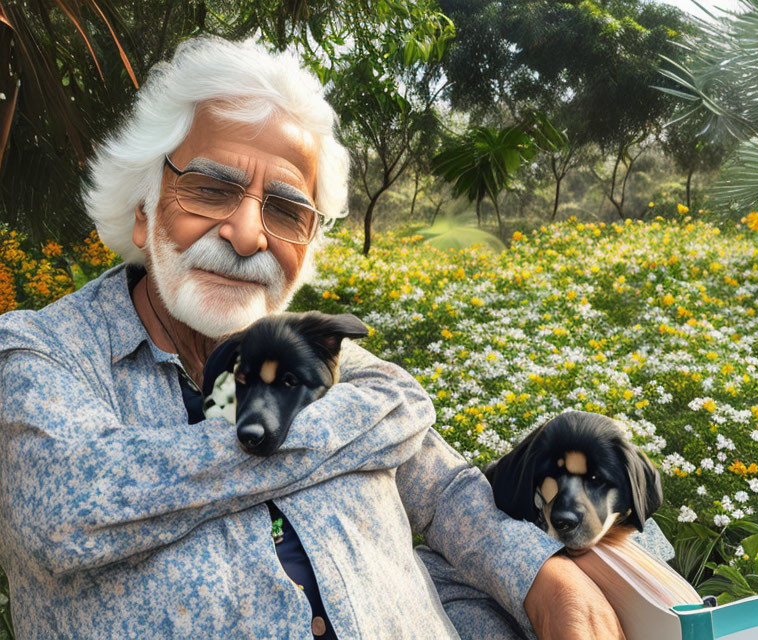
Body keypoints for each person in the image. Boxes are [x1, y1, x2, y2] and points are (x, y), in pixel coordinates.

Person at [0, 36, 633, 639]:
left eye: (285, 210)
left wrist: (542, 577)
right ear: (143, 212)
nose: (248, 234)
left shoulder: (306, 345)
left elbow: (440, 492)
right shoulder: (39, 351)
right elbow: (69, 513)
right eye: (212, 189)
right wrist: (379, 411)